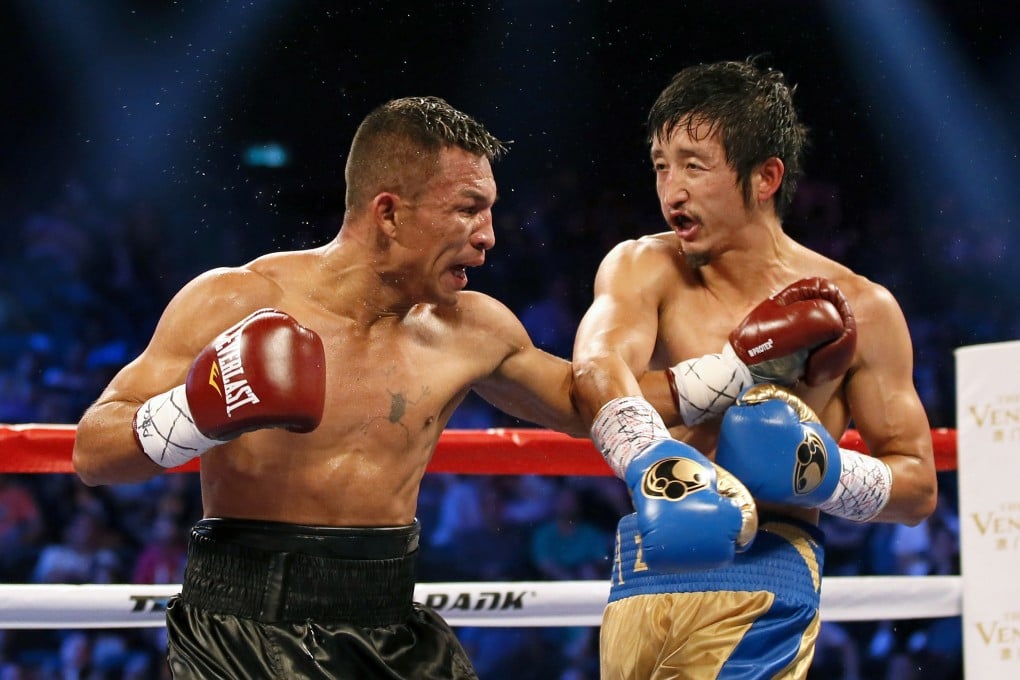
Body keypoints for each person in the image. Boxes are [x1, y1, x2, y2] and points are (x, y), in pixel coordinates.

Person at [71, 96, 609, 680]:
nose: (488, 238)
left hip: (392, 624)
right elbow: (93, 454)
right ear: (389, 213)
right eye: (468, 209)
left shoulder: (470, 328)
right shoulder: (237, 301)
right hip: (241, 631)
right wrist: (194, 413)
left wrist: (722, 374)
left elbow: (594, 407)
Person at [570, 58, 937, 678]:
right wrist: (729, 374)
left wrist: (822, 475)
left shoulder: (862, 308)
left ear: (765, 177)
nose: (671, 190)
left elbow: (918, 487)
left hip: (768, 579)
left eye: (693, 164)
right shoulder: (644, 268)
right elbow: (592, 379)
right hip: (645, 567)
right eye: (661, 166)